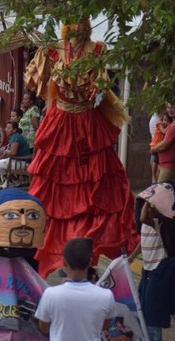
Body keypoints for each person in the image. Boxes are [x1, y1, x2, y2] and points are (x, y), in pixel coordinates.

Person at [24, 18, 137, 277]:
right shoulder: (51, 50)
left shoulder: (98, 50)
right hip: (61, 125)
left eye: (81, 22)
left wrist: (97, 91)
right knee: (52, 191)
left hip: (88, 126)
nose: (77, 27)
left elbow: (102, 85)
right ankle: (54, 251)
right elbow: (35, 82)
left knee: (95, 191)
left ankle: (86, 253)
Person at [129, 182, 175, 341]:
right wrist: (132, 257)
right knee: (141, 309)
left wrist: (149, 200)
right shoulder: (145, 227)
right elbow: (142, 243)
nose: (150, 209)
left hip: (158, 270)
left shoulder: (158, 224)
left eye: (153, 207)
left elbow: (143, 217)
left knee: (153, 314)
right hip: (147, 270)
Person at [34, 238, 115, 340]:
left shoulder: (51, 294)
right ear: (90, 262)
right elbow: (104, 326)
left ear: (64, 262)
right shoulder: (106, 296)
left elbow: (44, 328)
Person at [150, 98, 175, 182]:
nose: (170, 110)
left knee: (161, 192)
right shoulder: (174, 123)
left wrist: (153, 149)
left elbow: (164, 145)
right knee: (161, 190)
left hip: (169, 164)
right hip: (163, 163)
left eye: (173, 107)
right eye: (168, 107)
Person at [148, 112, 172, 183]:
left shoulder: (166, 127)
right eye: (164, 120)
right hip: (156, 145)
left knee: (158, 162)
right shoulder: (160, 124)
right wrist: (171, 125)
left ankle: (156, 178)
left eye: (168, 121)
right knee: (155, 160)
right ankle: (153, 177)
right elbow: (164, 132)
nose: (165, 122)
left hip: (160, 145)